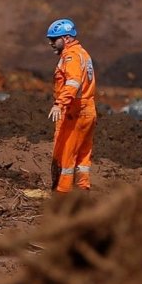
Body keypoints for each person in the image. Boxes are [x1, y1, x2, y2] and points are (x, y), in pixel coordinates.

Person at [46, 18, 96, 194]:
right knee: (82, 156)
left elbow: (73, 83)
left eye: (54, 39)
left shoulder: (72, 56)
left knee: (66, 155)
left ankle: (63, 196)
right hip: (87, 110)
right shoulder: (83, 54)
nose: (51, 43)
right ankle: (82, 192)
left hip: (75, 111)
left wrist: (59, 104)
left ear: (66, 38)